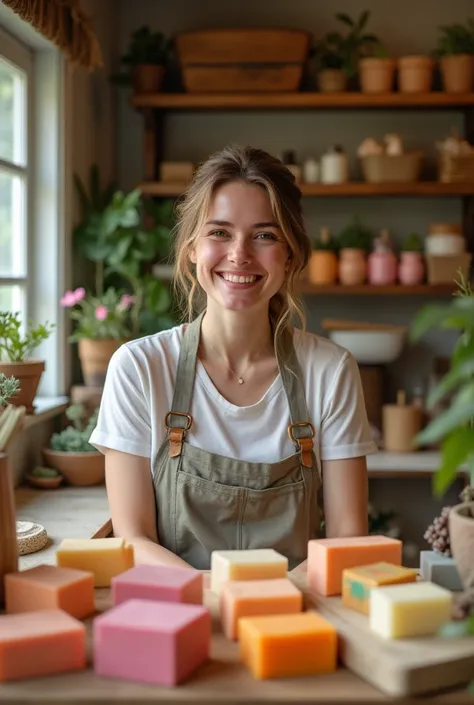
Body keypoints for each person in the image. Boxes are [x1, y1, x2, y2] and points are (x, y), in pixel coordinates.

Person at [89, 144, 377, 572]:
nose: (239, 253)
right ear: (191, 248)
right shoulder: (139, 368)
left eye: (264, 235)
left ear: (290, 254)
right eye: (219, 232)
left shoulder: (330, 371)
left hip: (292, 617)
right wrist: (216, 599)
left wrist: (269, 605)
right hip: (178, 613)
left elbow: (347, 538)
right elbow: (134, 539)